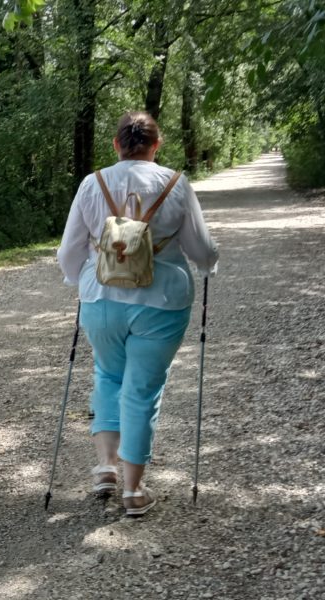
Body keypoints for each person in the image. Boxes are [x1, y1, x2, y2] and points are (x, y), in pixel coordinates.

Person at [56, 111, 219, 517]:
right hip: (162, 302)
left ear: (116, 144)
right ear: (156, 145)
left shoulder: (93, 184)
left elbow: (69, 251)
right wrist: (207, 266)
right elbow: (201, 248)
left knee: (108, 376)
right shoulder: (176, 184)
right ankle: (133, 490)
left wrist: (81, 279)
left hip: (101, 300)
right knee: (142, 391)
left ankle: (105, 467)